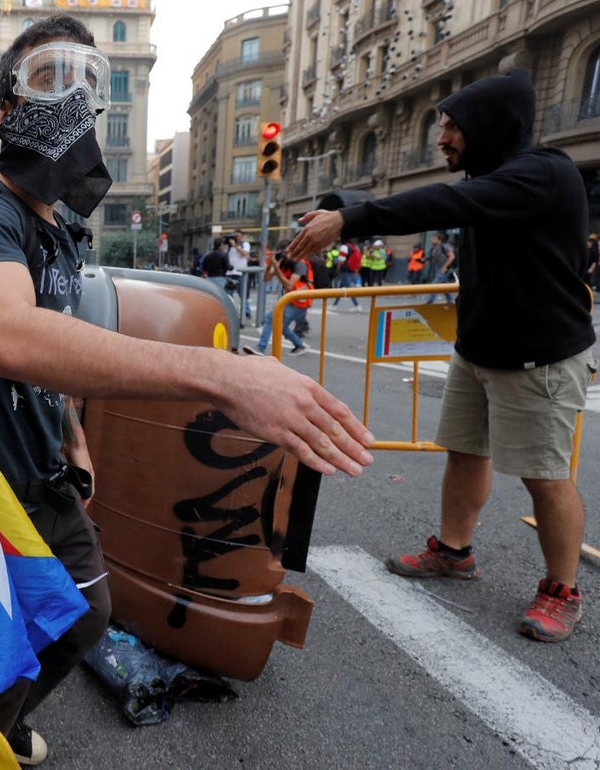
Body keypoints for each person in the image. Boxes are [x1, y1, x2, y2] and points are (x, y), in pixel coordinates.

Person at [0, 16, 372, 764]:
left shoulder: (63, 233)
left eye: (90, 84)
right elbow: (8, 338)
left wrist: (76, 440)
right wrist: (222, 374)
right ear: (8, 111)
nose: (73, 99)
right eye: (49, 78)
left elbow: (57, 351)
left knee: (83, 615)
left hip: (44, 468)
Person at [289, 69, 596, 643]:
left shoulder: (543, 174)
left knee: (545, 476)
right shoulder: (495, 179)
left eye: (453, 127)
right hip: (478, 352)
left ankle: (562, 590)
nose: (443, 138)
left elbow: (441, 201)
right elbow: (450, 200)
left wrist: (348, 220)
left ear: (488, 127)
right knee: (464, 453)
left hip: (540, 360)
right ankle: (454, 552)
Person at [243, 247, 310, 356]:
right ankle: (299, 345)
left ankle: (261, 348)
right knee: (281, 327)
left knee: (270, 318)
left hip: (300, 302)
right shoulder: (284, 265)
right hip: (291, 300)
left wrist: (277, 268)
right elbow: (266, 279)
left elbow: (289, 285)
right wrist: (271, 265)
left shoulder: (299, 265)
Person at [424, 231, 457, 304]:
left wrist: (445, 267)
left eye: (434, 238)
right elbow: (431, 258)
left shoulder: (445, 246)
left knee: (434, 285)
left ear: (439, 240)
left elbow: (452, 257)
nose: (432, 240)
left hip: (443, 270)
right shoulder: (433, 248)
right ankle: (450, 301)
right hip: (437, 269)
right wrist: (427, 261)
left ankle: (430, 302)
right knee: (444, 287)